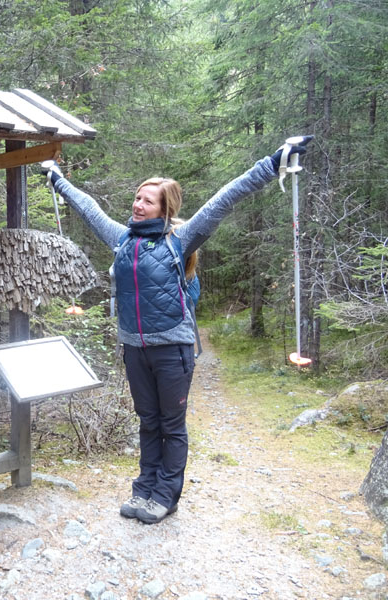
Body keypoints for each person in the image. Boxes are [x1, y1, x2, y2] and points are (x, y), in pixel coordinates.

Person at [42, 136, 313, 524]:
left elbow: (225, 198)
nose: (137, 204)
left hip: (173, 350)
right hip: (134, 348)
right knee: (148, 421)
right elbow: (88, 208)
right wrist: (58, 180)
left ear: (164, 209)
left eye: (147, 201)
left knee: (171, 424)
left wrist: (274, 163)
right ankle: (143, 489)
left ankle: (165, 495)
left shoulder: (179, 241)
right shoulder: (122, 240)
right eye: (137, 198)